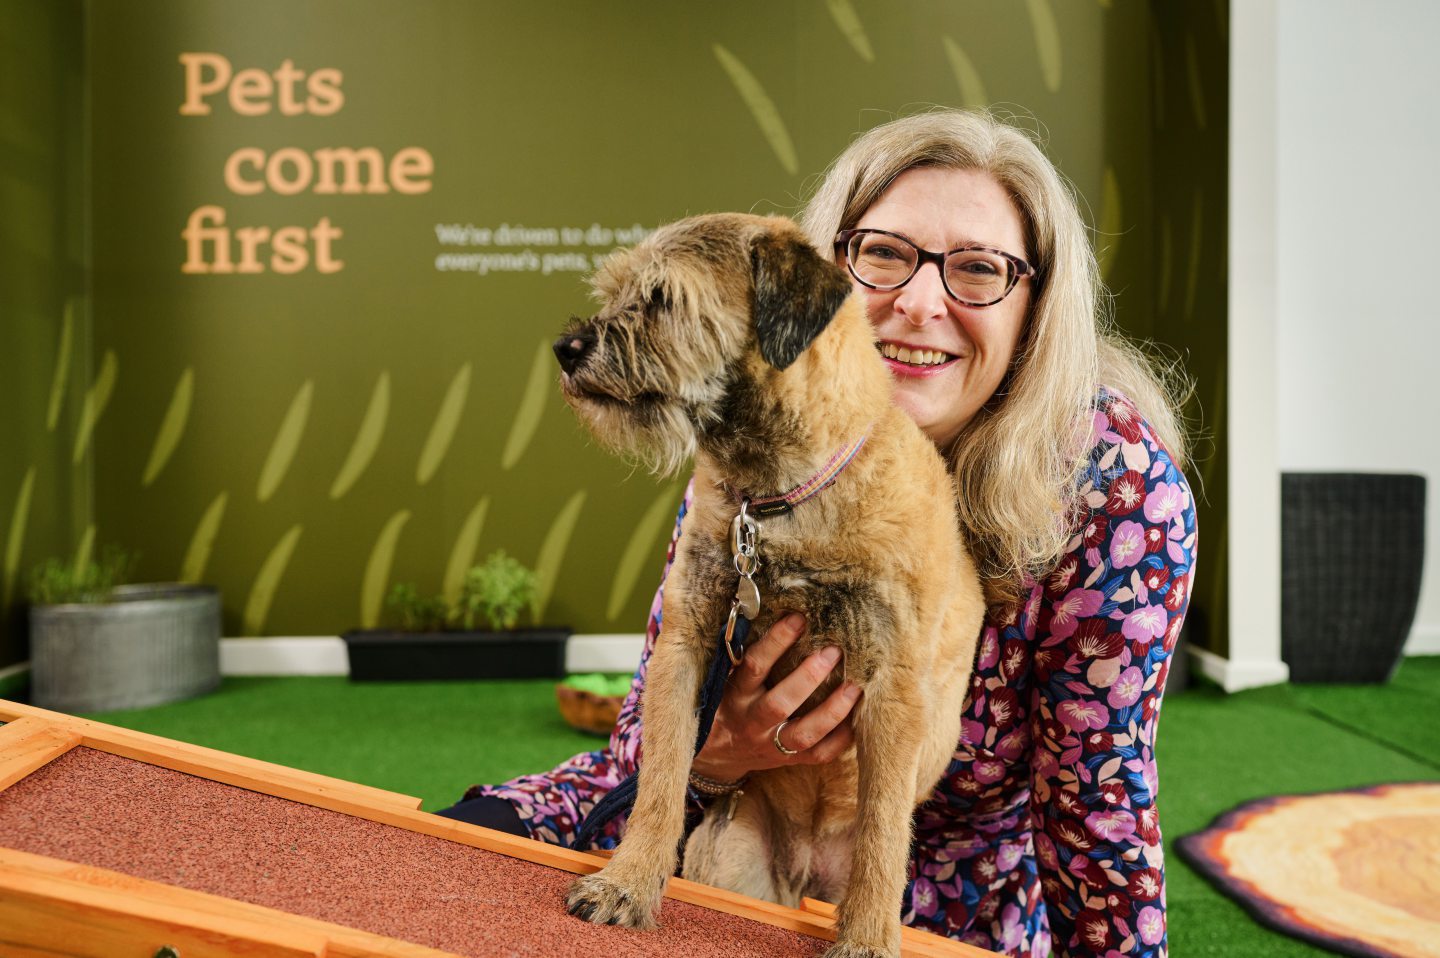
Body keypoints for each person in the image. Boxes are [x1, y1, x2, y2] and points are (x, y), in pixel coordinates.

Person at [438, 109, 1196, 958]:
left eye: (978, 270)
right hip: (722, 814)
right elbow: (643, 744)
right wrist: (725, 753)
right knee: (446, 859)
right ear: (826, 275)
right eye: (883, 254)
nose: (917, 303)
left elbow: (1099, 806)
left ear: (1037, 308)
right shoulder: (756, 436)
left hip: (938, 897)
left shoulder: (1114, 483)